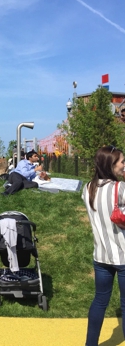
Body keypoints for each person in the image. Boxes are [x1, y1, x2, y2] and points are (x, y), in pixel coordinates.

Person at [83, 146, 125, 345]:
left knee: (100, 301)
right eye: (122, 162)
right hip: (123, 256)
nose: (124, 165)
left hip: (101, 255)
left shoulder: (88, 188)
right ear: (111, 165)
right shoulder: (120, 189)